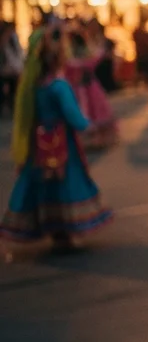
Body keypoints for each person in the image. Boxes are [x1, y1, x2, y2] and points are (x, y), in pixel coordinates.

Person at [1, 25, 113, 250]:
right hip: (62, 142)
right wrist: (90, 127)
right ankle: (64, 230)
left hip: (38, 142)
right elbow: (73, 116)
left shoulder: (33, 86)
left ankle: (52, 228)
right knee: (66, 184)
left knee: (43, 184)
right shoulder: (59, 86)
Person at [65, 28, 118, 150]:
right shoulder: (84, 54)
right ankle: (95, 139)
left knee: (90, 112)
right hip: (87, 87)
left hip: (82, 87)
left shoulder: (73, 57)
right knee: (93, 112)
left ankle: (92, 139)